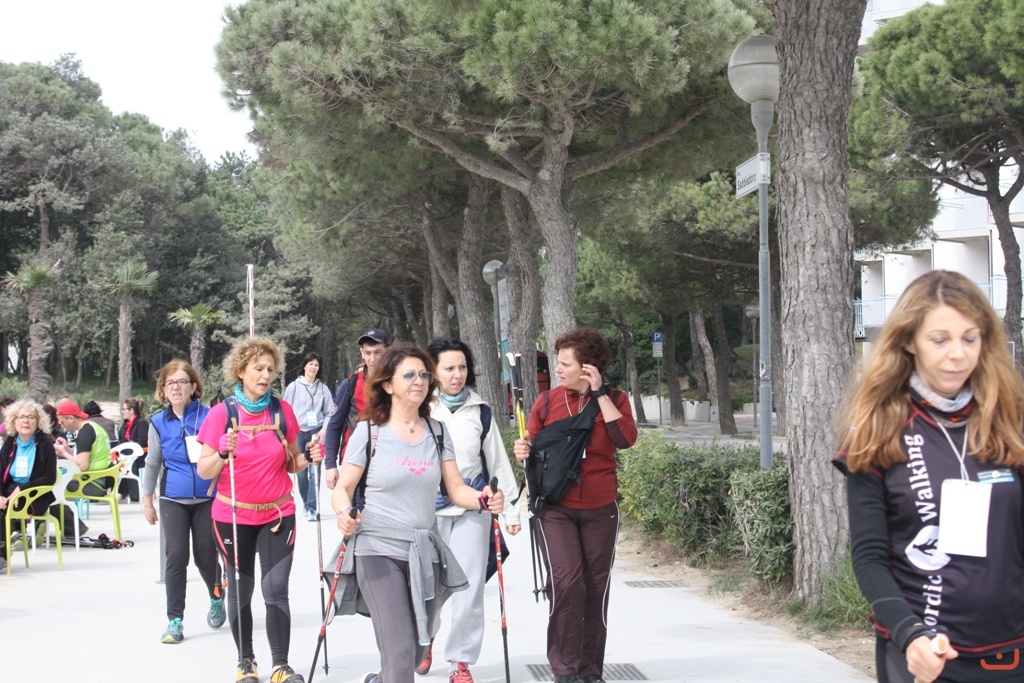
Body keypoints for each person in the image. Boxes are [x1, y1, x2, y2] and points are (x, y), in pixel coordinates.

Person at [834, 270, 1024, 683]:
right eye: (940, 340)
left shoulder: (1013, 421)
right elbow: (869, 558)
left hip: (1010, 655)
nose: (958, 354)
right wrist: (910, 635)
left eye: (970, 338)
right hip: (921, 657)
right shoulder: (877, 430)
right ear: (909, 341)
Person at [330, 343, 505, 683]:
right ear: (387, 384)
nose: (419, 381)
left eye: (424, 375)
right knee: (398, 651)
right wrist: (343, 512)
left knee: (415, 652)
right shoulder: (369, 431)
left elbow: (456, 489)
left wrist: (484, 499)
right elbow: (343, 488)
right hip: (377, 549)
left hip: (423, 552)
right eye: (409, 375)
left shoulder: (437, 432)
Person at [513, 328, 638, 683]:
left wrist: (599, 394)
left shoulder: (615, 399)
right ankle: (565, 669)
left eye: (565, 364)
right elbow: (532, 449)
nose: (557, 369)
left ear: (588, 368)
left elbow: (625, 439)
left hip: (601, 507)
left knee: (596, 588)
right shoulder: (547, 401)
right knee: (567, 582)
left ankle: (590, 670)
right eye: (558, 362)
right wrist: (522, 451)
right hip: (556, 508)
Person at [197, 337, 322, 683]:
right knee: (241, 589)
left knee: (276, 588)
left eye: (270, 369)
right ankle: (246, 663)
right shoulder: (222, 414)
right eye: (258, 369)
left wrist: (309, 457)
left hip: (277, 515)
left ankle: (280, 666)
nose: (266, 375)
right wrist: (221, 452)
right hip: (233, 516)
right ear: (241, 371)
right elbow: (204, 471)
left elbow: (292, 462)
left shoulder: (281, 411)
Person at [420, 338, 522, 683]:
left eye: (462, 367)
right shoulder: (421, 408)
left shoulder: (481, 411)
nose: (457, 374)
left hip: (472, 510)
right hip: (427, 513)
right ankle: (424, 640)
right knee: (427, 587)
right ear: (433, 372)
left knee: (469, 588)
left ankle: (460, 661)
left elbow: (498, 462)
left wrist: (510, 512)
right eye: (449, 368)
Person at [142, 361, 223, 645]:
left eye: (181, 382)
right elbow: (153, 462)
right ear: (163, 390)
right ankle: (174, 620)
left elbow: (225, 455)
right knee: (176, 556)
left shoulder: (210, 416)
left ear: (193, 387)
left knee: (205, 557)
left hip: (207, 497)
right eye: (170, 383)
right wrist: (147, 502)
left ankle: (217, 597)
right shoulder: (157, 422)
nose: (175, 388)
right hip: (172, 498)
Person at [323, 328, 391, 491]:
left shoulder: (399, 382)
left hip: (390, 463)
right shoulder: (350, 384)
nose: (372, 359)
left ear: (388, 351)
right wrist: (330, 465)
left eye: (378, 352)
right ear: (362, 353)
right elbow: (335, 425)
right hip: (356, 463)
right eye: (368, 353)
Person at [0, 400, 58, 571]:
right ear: (14, 421)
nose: (26, 421)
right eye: (21, 417)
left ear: (38, 422)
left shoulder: (45, 443)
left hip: (35, 495)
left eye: (31, 417)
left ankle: (2, 556)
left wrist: (22, 489)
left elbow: (49, 478)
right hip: (10, 491)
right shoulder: (10, 442)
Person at [283, 352, 334, 521]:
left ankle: (312, 507)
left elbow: (330, 412)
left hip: (316, 432)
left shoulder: (323, 388)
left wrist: (324, 429)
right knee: (301, 472)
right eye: (310, 364)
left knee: (315, 470)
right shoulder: (293, 387)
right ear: (304, 366)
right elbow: (286, 410)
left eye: (316, 365)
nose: (313, 367)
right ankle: (306, 502)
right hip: (298, 432)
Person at [54, 400, 113, 496]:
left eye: (62, 422)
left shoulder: (85, 433)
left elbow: (82, 465)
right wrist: (67, 449)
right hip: (103, 479)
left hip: (92, 483)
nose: (62, 426)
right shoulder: (93, 427)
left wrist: (64, 453)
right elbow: (85, 455)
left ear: (71, 418)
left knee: (53, 483)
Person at [118, 397, 149, 503]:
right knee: (117, 460)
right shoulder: (125, 424)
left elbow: (142, 442)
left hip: (140, 455)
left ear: (131, 410)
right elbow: (121, 440)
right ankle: (121, 491)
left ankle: (134, 494)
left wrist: (130, 445)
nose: (122, 412)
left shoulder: (141, 423)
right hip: (126, 454)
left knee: (130, 461)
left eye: (124, 409)